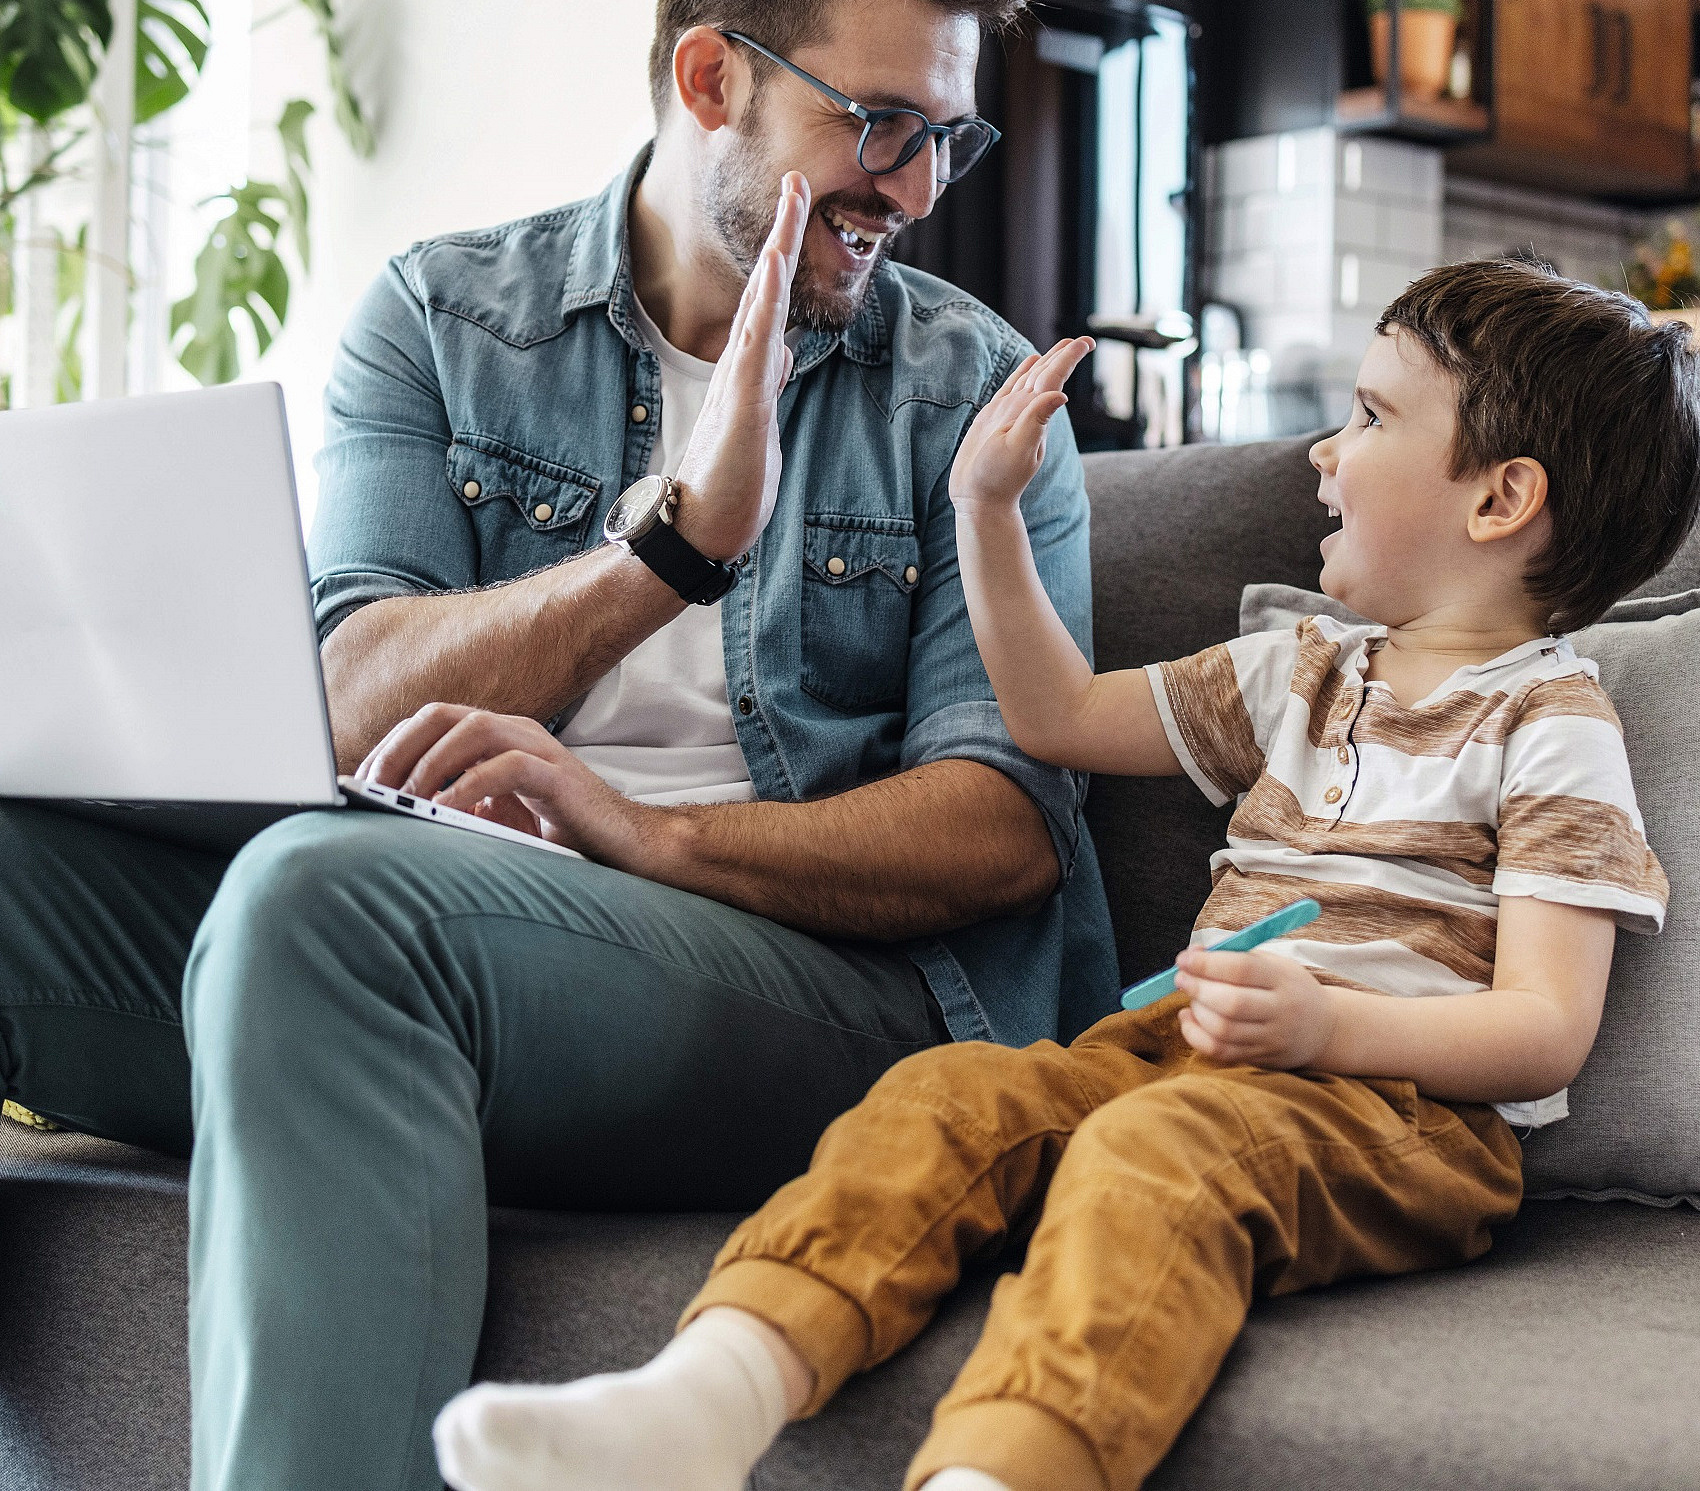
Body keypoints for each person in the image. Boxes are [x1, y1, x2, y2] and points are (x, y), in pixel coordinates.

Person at [0, 0, 1118, 1491]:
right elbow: (350, 696)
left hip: (825, 994)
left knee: (325, 903)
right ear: (713, 76)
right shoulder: (444, 320)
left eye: (947, 136)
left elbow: (1005, 820)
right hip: (442, 916)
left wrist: (642, 833)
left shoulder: (971, 392)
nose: (918, 189)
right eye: (880, 127)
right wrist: (669, 553)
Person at [432, 258, 1700, 1491]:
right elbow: (1051, 714)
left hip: (1400, 1111)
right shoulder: (1299, 669)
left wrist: (1330, 1022)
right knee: (949, 1098)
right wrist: (983, 513)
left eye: (1367, 415)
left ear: (1499, 499)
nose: (1323, 449)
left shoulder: (1548, 722)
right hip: (1180, 1056)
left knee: (1157, 1149)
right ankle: (704, 1404)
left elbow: (1544, 1028)